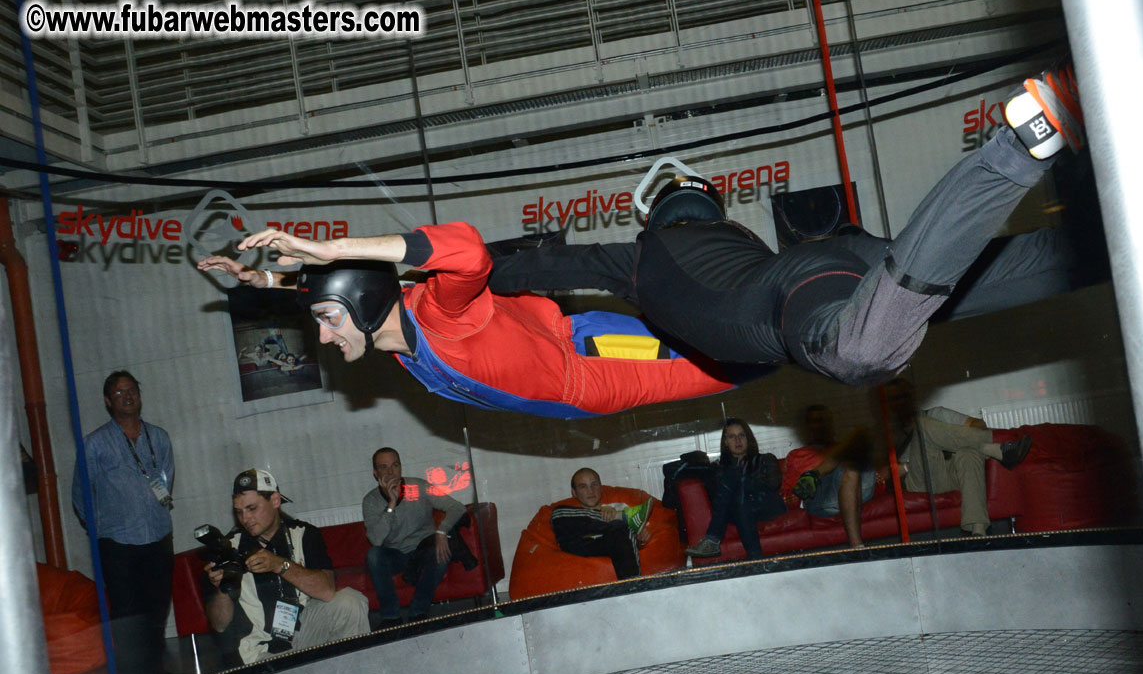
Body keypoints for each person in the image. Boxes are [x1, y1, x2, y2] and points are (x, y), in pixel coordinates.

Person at [485, 65, 1087, 387]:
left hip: (794, 296)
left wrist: (459, 268)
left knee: (859, 351)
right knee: (1012, 270)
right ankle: (1127, 245)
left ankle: (1019, 144)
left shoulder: (638, 258)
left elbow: (542, 265)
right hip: (841, 261)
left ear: (656, 219)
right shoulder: (735, 242)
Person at [195, 229, 741, 419]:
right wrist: (261, 282)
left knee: (738, 361)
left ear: (362, 304)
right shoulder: (399, 328)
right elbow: (339, 288)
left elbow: (468, 251)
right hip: (577, 373)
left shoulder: (438, 313)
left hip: (595, 365)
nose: (323, 336)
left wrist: (331, 246)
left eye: (330, 320)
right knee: (735, 351)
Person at [71, 370, 175, 674]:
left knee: (156, 610)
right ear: (107, 401)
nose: (127, 396)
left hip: (158, 537)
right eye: (119, 393)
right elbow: (80, 495)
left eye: (132, 390)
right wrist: (101, 528)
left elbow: (168, 482)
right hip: (117, 543)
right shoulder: (94, 444)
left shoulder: (159, 437)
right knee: (128, 617)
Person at [202, 469, 369, 665]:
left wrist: (279, 564)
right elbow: (219, 625)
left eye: (252, 508)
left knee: (351, 602)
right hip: (260, 652)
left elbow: (327, 590)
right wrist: (223, 588)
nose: (245, 519)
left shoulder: (303, 534)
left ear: (275, 500)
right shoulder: (228, 549)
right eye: (239, 512)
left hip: (304, 633)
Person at [879, 379, 1032, 535]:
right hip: (921, 481)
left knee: (967, 453)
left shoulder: (936, 414)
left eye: (902, 397)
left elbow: (979, 425)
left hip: (953, 474)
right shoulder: (892, 435)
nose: (899, 403)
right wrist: (909, 465)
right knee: (923, 426)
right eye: (893, 400)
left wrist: (951, 443)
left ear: (911, 397)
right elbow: (885, 474)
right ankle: (994, 449)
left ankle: (978, 530)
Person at [362, 447, 468, 627]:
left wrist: (442, 531)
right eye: (383, 467)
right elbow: (376, 540)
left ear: (401, 467)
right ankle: (391, 618)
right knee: (373, 555)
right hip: (396, 554)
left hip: (424, 550)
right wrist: (391, 504)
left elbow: (457, 507)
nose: (390, 472)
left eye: (395, 465)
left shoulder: (419, 486)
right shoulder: (370, 501)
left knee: (443, 550)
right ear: (375, 473)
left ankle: (418, 612)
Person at [685, 419, 786, 559]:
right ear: (726, 442)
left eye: (741, 435)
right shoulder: (720, 470)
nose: (737, 440)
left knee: (734, 483)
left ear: (748, 438)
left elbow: (772, 485)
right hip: (739, 510)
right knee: (739, 499)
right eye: (732, 437)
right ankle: (756, 560)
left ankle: (712, 539)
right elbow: (719, 501)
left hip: (767, 506)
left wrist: (741, 479)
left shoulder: (766, 459)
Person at [783, 405, 875, 548]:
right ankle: (857, 546)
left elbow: (876, 479)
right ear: (807, 427)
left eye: (823, 421)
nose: (820, 426)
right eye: (815, 421)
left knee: (857, 454)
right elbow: (789, 495)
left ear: (830, 423)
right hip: (820, 500)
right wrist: (795, 496)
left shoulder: (843, 448)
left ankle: (816, 473)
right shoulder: (796, 456)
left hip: (855, 490)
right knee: (849, 463)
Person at [550, 468, 655, 579]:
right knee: (558, 513)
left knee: (621, 528)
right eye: (583, 486)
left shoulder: (619, 507)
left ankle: (633, 588)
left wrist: (641, 540)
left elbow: (631, 544)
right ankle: (620, 518)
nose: (590, 491)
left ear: (601, 488)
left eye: (594, 484)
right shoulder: (570, 515)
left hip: (609, 544)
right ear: (574, 493)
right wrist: (604, 516)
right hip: (581, 546)